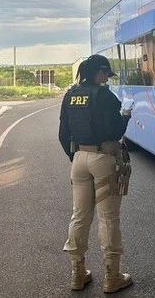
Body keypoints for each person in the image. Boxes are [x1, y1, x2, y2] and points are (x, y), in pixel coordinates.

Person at [58, 54, 134, 293]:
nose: (106, 79)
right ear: (99, 73)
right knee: (108, 218)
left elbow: (63, 133)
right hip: (103, 159)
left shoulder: (71, 95)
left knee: (79, 216)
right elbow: (116, 129)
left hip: (79, 160)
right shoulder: (105, 96)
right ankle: (112, 277)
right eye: (105, 74)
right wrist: (126, 116)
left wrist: (77, 156)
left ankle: (77, 274)